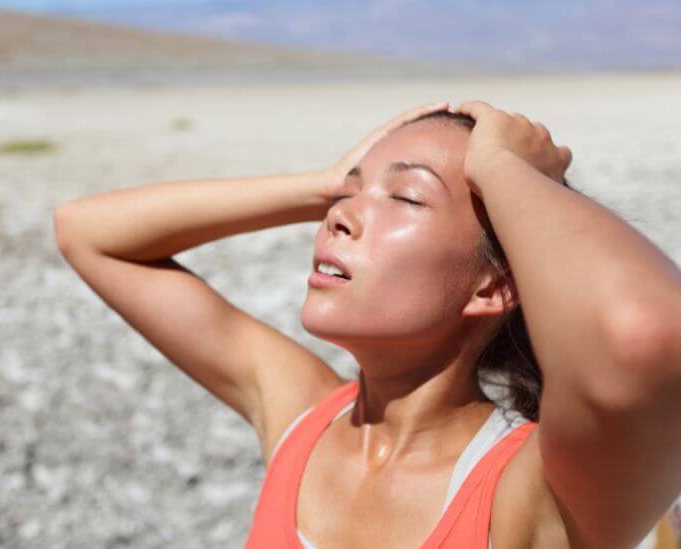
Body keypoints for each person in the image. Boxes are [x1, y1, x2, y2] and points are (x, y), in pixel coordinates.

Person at [53, 100, 681, 548]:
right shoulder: (305, 420)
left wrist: (507, 169)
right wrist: (323, 182)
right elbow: (87, 233)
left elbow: (646, 331)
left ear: (492, 286)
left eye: (406, 198)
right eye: (344, 199)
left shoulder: (537, 491)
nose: (340, 217)